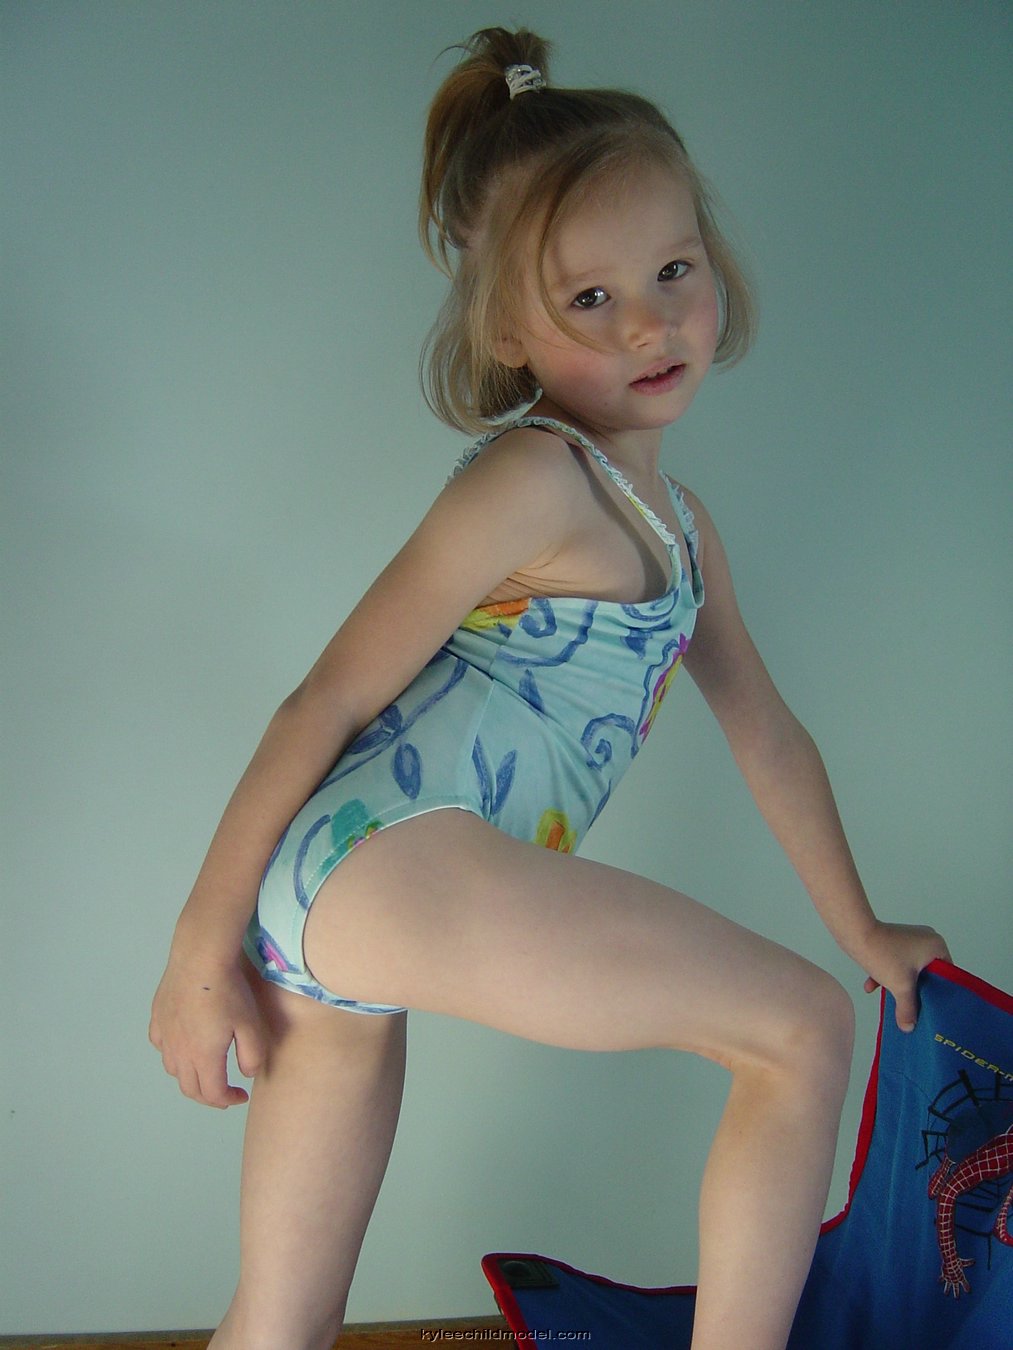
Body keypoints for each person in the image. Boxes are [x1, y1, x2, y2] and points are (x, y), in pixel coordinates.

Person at [149, 27, 950, 1350]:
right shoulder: (533, 478)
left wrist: (858, 925)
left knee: (282, 1318)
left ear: (712, 266)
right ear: (510, 331)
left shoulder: (681, 529)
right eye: (589, 298)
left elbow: (766, 733)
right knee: (799, 1030)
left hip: (352, 894)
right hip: (382, 851)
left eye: (672, 271)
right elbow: (323, 701)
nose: (647, 322)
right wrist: (196, 951)